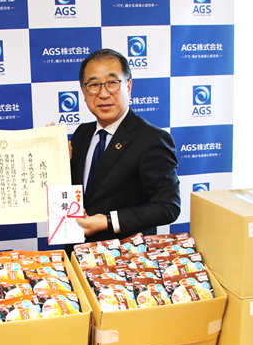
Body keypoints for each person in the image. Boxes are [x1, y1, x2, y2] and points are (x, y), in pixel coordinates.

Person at [65, 48, 181, 254]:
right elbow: (80, 193)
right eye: (93, 85)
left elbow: (167, 207)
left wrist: (108, 222)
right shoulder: (82, 133)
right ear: (83, 92)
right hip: (77, 251)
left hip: (125, 260)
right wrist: (56, 163)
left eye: (112, 83)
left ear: (128, 86)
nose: (103, 93)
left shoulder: (152, 139)